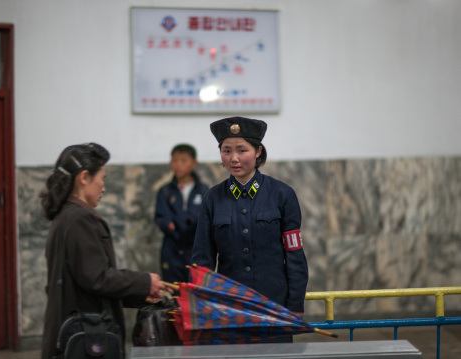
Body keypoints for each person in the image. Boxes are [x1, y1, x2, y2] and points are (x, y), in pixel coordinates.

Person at [40, 143, 169, 359]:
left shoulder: (66, 216)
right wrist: (144, 282)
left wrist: (143, 293)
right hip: (84, 336)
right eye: (102, 178)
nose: (103, 187)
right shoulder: (80, 219)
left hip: (72, 331)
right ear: (84, 178)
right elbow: (97, 278)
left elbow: (87, 280)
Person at [191, 116, 309, 322]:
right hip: (229, 306)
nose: (233, 158)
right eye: (226, 151)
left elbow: (294, 254)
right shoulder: (213, 197)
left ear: (258, 151)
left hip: (275, 304)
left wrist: (295, 303)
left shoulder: (282, 194)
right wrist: (201, 302)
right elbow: (202, 258)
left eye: (241, 150)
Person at [154, 144, 209, 284]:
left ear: (194, 163)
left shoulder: (203, 190)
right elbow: (161, 216)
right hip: (172, 248)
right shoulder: (165, 191)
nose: (178, 165)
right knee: (175, 290)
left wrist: (188, 223)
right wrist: (169, 224)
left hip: (195, 248)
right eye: (175, 160)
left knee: (196, 289)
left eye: (183, 160)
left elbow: (203, 217)